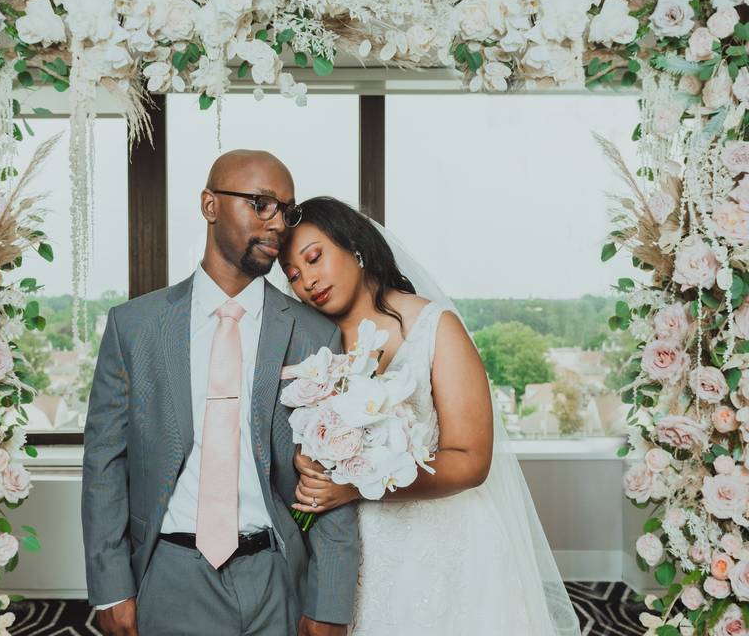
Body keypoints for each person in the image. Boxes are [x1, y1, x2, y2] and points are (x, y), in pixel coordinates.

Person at [82, 154, 360, 636]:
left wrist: (329, 602)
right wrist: (110, 586)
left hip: (277, 575)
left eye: (286, 211)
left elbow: (331, 473)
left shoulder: (314, 335)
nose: (277, 224)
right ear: (210, 205)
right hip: (169, 573)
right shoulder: (134, 327)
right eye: (261, 204)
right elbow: (106, 463)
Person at [278, 196, 581, 635]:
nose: (308, 280)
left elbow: (472, 459)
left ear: (354, 246)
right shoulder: (310, 342)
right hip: (351, 550)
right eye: (294, 275)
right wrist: (306, 460)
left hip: (442, 544)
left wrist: (355, 486)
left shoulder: (435, 327)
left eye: (314, 258)